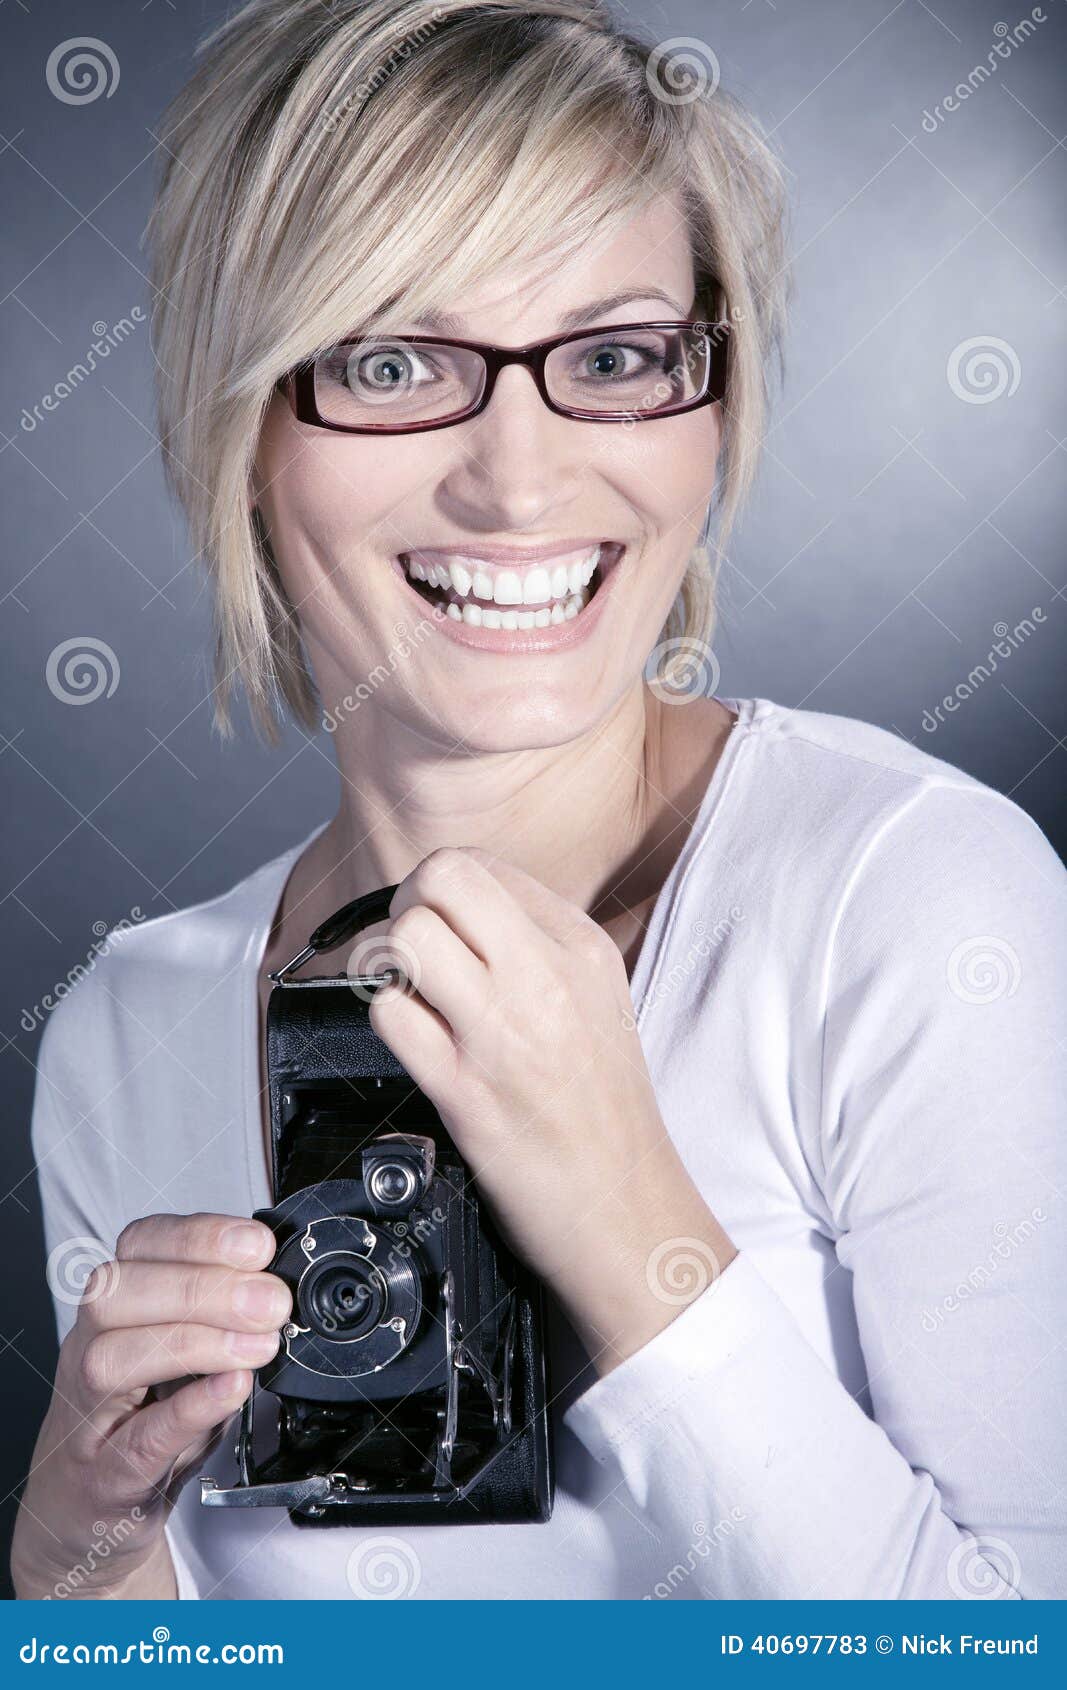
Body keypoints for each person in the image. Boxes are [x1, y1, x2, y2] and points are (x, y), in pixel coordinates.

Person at [13, 0, 1065, 1601]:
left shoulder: (914, 904)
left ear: (711, 404)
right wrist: (80, 1575)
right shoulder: (125, 1028)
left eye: (618, 354)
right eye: (390, 359)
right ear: (244, 431)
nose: (519, 476)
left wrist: (629, 1217)